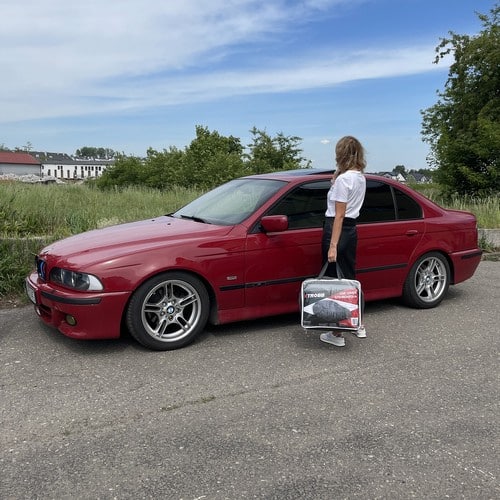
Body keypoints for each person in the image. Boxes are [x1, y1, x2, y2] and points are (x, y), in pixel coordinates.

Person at [320, 136, 367, 347]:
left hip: (336, 229)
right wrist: (336, 179)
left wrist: (332, 246)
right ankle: (357, 324)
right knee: (349, 277)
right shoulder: (359, 177)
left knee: (335, 280)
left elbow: (339, 214)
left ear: (341, 154)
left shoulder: (343, 180)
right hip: (351, 229)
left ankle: (337, 333)